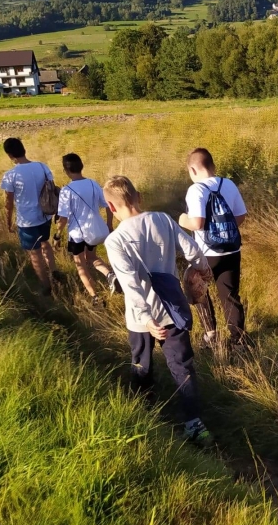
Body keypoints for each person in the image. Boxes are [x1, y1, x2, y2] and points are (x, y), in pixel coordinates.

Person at [102, 175, 215, 446]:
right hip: (172, 310)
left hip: (141, 319)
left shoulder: (115, 240)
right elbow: (191, 249)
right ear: (139, 197)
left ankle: (146, 413)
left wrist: (146, 318)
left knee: (141, 364)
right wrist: (202, 269)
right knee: (182, 366)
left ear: (111, 207)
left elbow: (129, 283)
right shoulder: (162, 220)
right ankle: (194, 424)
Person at [178, 148, 248, 348]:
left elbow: (197, 223)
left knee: (198, 290)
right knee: (230, 295)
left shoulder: (196, 190)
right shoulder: (229, 184)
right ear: (213, 166)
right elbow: (241, 215)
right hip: (231, 250)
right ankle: (238, 341)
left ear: (193, 170)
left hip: (206, 253)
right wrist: (224, 232)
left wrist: (182, 220)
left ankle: (210, 336)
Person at [52, 153, 119, 307]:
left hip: (77, 235)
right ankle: (110, 275)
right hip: (94, 231)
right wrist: (109, 225)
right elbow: (108, 206)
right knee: (91, 257)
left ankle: (95, 297)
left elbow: (63, 219)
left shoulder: (66, 190)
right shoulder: (93, 184)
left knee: (80, 265)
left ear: (66, 170)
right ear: (81, 166)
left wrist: (57, 236)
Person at [0, 137, 59, 295]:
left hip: (27, 221)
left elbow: (8, 203)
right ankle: (54, 273)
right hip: (45, 215)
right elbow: (52, 188)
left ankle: (46, 287)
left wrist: (8, 222)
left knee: (35, 253)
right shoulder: (42, 166)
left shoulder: (11, 175)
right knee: (45, 243)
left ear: (9, 154)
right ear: (23, 149)